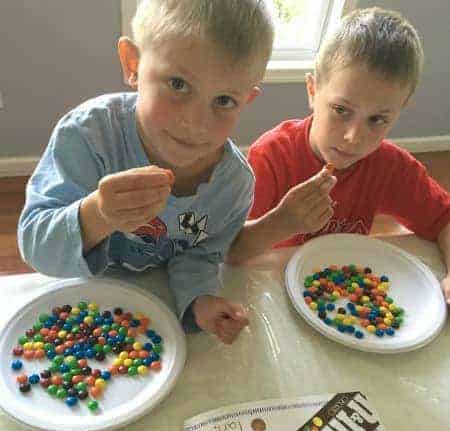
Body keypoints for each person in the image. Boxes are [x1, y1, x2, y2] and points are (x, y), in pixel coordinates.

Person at [18, 0, 275, 343]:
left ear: (248, 99)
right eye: (178, 84)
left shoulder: (233, 185)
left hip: (154, 312)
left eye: (224, 100)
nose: (196, 124)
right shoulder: (88, 136)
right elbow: (36, 247)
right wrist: (98, 214)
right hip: (79, 300)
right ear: (133, 63)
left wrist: (200, 300)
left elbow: (201, 254)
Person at [228, 7, 450, 302]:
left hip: (342, 298)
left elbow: (444, 217)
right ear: (312, 91)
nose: (353, 137)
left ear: (400, 110)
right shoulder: (271, 157)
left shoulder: (390, 168)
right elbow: (231, 252)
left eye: (377, 120)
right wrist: (283, 221)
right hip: (278, 293)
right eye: (341, 111)